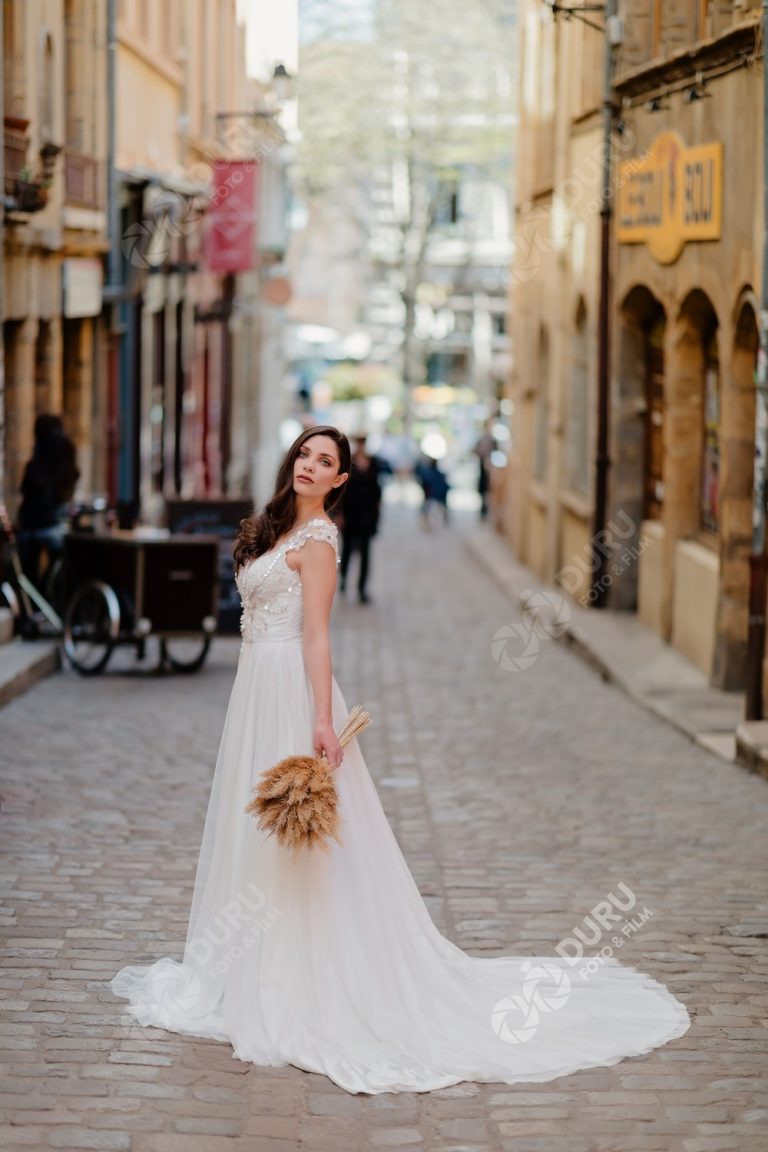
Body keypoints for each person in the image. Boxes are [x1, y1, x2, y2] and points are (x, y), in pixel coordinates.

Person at [110, 423, 690, 1095]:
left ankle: (300, 974)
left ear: (340, 481)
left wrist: (321, 722)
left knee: (300, 839)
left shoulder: (321, 543)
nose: (309, 465)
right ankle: (244, 964)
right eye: (304, 453)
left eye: (324, 461)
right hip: (253, 688)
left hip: (289, 692)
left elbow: (318, 638)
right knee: (259, 831)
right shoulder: (272, 529)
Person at [16, 413, 79, 589]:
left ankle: (36, 602)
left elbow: (25, 491)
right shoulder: (65, 458)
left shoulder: (37, 462)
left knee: (29, 576)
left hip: (32, 528)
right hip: (52, 528)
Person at [338, 433, 382, 604]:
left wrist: (378, 512)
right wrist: (339, 513)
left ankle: (362, 589)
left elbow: (377, 489)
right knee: (347, 550)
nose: (362, 444)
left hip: (367, 514)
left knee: (365, 553)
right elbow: (341, 490)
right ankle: (343, 580)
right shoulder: (348, 462)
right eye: (359, 441)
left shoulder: (373, 462)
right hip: (350, 513)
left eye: (364, 441)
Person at [414, 453, 450, 528]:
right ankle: (432, 522)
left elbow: (422, 479)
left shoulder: (428, 473)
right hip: (436, 496)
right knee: (431, 510)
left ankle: (429, 523)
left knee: (427, 509)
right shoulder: (440, 474)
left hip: (431, 495)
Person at [473, 418, 497, 520]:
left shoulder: (492, 441)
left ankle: (486, 510)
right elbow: (475, 450)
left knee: (488, 492)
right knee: (483, 491)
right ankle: (484, 511)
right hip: (483, 470)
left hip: (490, 470)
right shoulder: (482, 439)